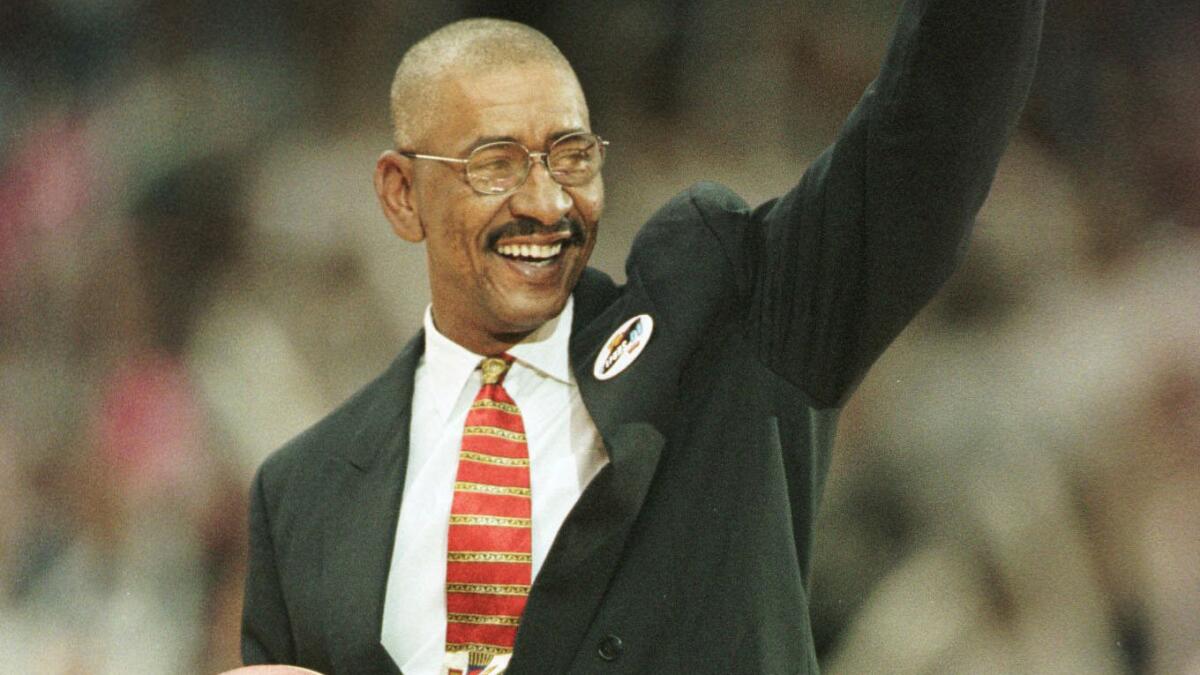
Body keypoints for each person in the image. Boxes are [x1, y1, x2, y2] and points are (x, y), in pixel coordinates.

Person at [241, 1, 1045, 673]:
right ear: (402, 194)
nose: (546, 203)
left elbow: (926, 144)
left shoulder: (724, 330)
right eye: (494, 164)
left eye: (571, 156)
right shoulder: (301, 499)